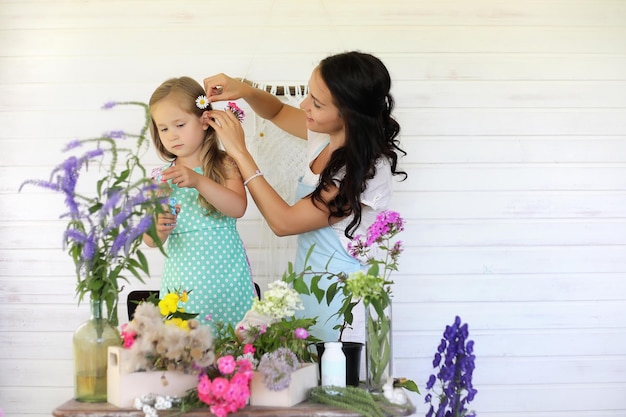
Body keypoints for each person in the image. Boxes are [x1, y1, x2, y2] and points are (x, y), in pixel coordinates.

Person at [203, 51, 407, 342]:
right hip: (309, 292)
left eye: (317, 103)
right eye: (309, 94)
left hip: (344, 306)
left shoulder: (365, 172)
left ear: (348, 114)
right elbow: (275, 112)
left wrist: (239, 151)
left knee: (338, 382)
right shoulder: (325, 136)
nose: (303, 105)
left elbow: (283, 222)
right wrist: (244, 89)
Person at [142, 76, 255, 328]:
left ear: (204, 121)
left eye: (179, 124)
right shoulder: (161, 178)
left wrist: (198, 181)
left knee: (234, 349)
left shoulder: (225, 163)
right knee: (186, 351)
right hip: (184, 284)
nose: (172, 136)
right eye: (164, 128)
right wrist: (159, 228)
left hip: (229, 280)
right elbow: (150, 241)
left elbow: (238, 208)